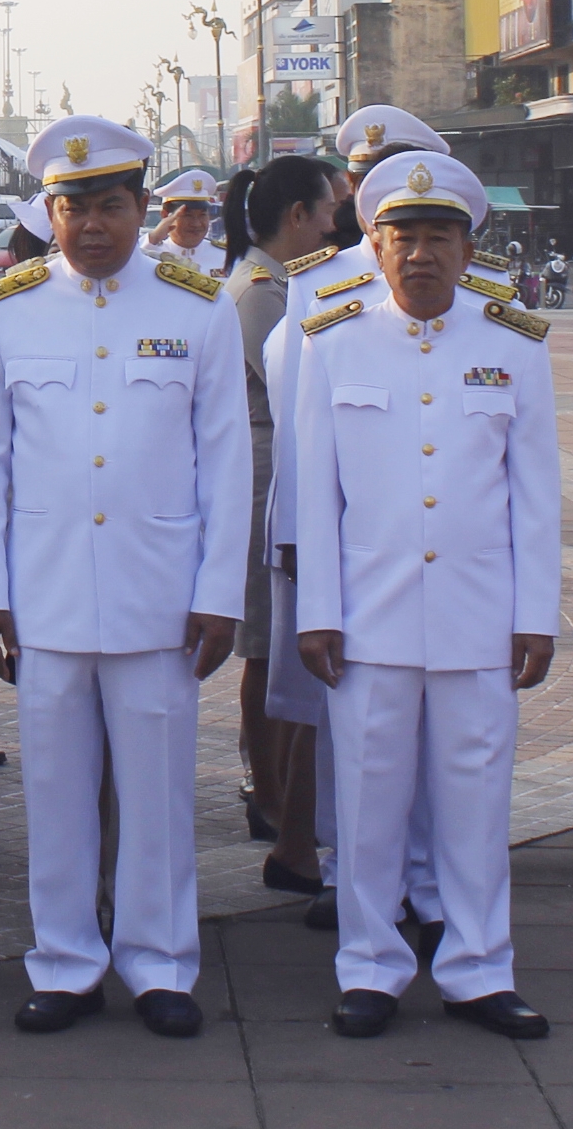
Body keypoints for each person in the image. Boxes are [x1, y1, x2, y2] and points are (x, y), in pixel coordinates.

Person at [0, 115, 250, 1039]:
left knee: (158, 790)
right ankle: (66, 962)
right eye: (72, 206)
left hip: (159, 594)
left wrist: (217, 593)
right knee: (55, 789)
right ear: (48, 211)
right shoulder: (4, 310)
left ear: (139, 209)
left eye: (109, 205)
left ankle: (161, 963)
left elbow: (225, 462)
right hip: (40, 595)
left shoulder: (194, 306)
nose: (90, 225)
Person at [295, 152, 557, 1041]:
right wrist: (317, 612)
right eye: (400, 236)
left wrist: (534, 614)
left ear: (466, 245)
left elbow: (536, 493)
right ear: (371, 243)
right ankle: (369, 967)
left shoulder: (510, 343)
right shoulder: (331, 340)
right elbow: (315, 498)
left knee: (477, 803)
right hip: (366, 617)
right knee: (368, 806)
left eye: (437, 235)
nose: (419, 254)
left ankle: (480, 969)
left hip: (478, 616)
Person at [266, 111, 450, 932]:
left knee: (444, 727)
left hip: (437, 544)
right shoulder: (316, 284)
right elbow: (299, 427)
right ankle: (347, 870)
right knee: (348, 718)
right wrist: (306, 540)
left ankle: (432, 876)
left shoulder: (468, 288)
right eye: (367, 178)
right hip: (343, 537)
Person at [218, 157, 339, 902]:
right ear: (295, 215)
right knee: (264, 648)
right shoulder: (259, 294)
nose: (333, 225)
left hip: (276, 464)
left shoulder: (280, 285)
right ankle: (267, 792)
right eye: (325, 211)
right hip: (267, 467)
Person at [144, 169, 225, 274]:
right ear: (165, 215)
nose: (196, 224)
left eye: (202, 215)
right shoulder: (152, 255)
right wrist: (153, 238)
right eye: (187, 215)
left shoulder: (225, 256)